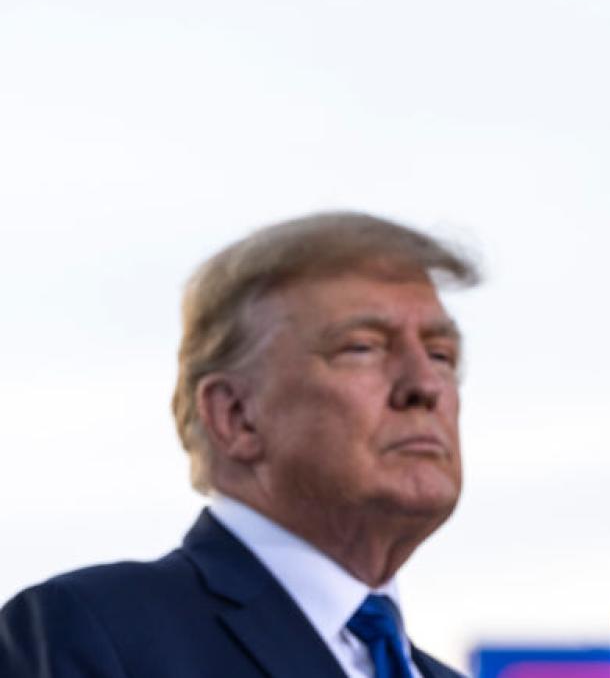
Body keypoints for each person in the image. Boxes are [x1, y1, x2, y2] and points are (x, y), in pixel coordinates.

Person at [0, 211, 478, 678]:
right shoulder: (95, 632)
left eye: (441, 355)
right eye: (362, 347)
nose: (425, 385)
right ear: (235, 416)